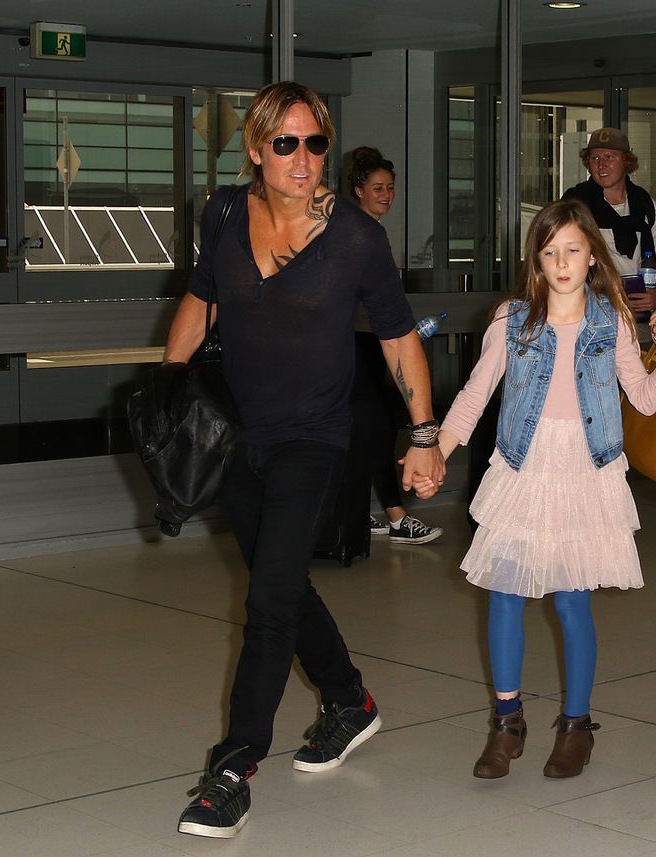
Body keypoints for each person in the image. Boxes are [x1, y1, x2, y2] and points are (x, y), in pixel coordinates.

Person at [165, 82, 446, 838]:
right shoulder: (224, 214)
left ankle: (231, 767)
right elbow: (201, 298)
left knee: (267, 605)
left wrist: (424, 435)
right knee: (280, 585)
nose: (302, 158)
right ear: (256, 149)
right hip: (236, 432)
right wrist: (170, 388)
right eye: (285, 143)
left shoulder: (355, 237)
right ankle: (349, 699)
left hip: (313, 436)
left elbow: (396, 336)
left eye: (315, 142)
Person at [416, 199, 656, 780]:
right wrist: (437, 447)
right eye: (550, 252)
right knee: (506, 593)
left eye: (573, 250)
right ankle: (507, 721)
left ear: (592, 257)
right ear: (536, 262)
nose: (562, 263)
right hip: (524, 468)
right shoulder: (512, 320)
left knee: (571, 599)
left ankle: (576, 726)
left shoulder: (610, 320)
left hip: (587, 471)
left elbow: (642, 397)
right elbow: (475, 394)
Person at [346, 145, 444, 545]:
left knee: (375, 427)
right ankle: (393, 514)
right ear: (358, 190)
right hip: (353, 344)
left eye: (390, 188)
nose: (385, 195)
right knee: (374, 428)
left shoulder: (372, 232)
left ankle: (376, 512)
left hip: (373, 342)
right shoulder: (354, 232)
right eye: (377, 188)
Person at [563, 127, 656, 322]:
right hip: (586, 315)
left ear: (625, 161)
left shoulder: (647, 206)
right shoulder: (575, 205)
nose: (601, 165)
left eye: (609, 157)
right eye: (595, 158)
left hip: (636, 316)